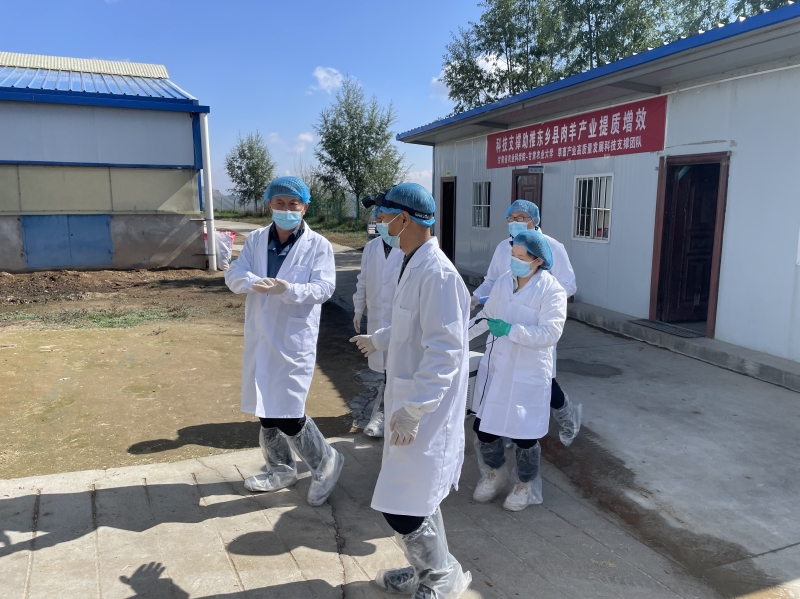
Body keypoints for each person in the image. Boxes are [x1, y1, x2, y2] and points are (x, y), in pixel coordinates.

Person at [350, 183, 472, 598]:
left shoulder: (438, 274)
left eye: (383, 216)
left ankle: (440, 577)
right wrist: (380, 339)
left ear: (404, 219)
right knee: (417, 500)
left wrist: (415, 408)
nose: (379, 224)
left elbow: (445, 351)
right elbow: (410, 323)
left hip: (425, 411)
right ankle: (429, 570)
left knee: (402, 507)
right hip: (408, 402)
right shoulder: (412, 262)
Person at [225, 176, 343, 507]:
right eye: (280, 203)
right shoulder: (256, 239)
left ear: (305, 208)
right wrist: (251, 281)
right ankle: (280, 470)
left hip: (293, 339)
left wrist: (288, 289)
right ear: (270, 205)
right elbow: (234, 274)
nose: (287, 209)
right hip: (261, 334)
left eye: (294, 204)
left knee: (289, 413)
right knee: (265, 410)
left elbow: (324, 288)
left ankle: (326, 462)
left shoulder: (318, 245)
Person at [468, 229, 567, 511]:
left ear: (538, 261)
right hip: (498, 366)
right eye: (513, 255)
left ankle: (525, 484)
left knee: (524, 435)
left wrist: (511, 330)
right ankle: (495, 474)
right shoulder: (503, 282)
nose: (515, 261)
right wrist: (457, 339)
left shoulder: (552, 290)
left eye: (521, 257)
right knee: (485, 428)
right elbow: (486, 316)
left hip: (528, 371)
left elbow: (550, 333)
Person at [471, 199, 581, 447]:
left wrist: (538, 297)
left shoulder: (552, 247)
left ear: (535, 219)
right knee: (503, 381)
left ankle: (566, 415)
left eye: (521, 218)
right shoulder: (504, 247)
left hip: (535, 323)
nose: (515, 222)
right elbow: (492, 281)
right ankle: (507, 428)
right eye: (511, 218)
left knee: (541, 383)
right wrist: (476, 297)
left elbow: (569, 285)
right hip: (504, 325)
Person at [352, 207, 404, 437]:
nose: (381, 223)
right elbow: (363, 279)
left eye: (384, 219)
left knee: (396, 369)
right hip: (377, 316)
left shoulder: (406, 247)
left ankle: (384, 416)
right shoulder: (371, 247)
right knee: (385, 370)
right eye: (378, 219)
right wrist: (358, 309)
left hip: (398, 318)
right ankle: (383, 415)